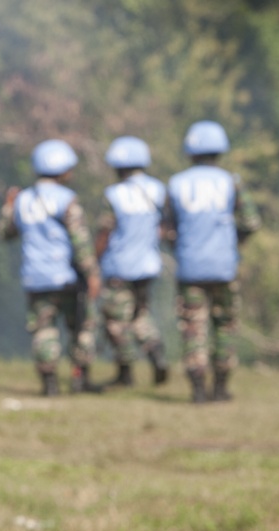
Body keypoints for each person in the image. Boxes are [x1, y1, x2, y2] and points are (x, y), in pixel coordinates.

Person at [162, 120, 261, 403]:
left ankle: (196, 389)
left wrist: (180, 245)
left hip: (190, 268)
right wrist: (233, 243)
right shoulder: (232, 182)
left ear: (190, 151)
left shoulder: (176, 184)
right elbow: (251, 222)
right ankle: (220, 388)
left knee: (193, 328)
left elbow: (167, 228)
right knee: (225, 326)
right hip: (224, 267)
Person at [0, 139, 102, 396]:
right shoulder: (67, 200)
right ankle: (80, 379)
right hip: (67, 277)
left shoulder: (22, 200)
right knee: (81, 327)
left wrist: (8, 207)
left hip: (36, 278)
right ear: (64, 170)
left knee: (44, 330)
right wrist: (92, 274)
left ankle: (50, 384)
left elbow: (5, 233)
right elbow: (81, 242)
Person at [95, 136, 170, 388]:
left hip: (119, 267)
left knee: (116, 321)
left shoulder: (114, 195)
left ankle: (124, 374)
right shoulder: (159, 190)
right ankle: (156, 353)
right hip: (148, 266)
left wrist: (93, 261)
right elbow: (166, 226)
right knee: (140, 315)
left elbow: (105, 233)